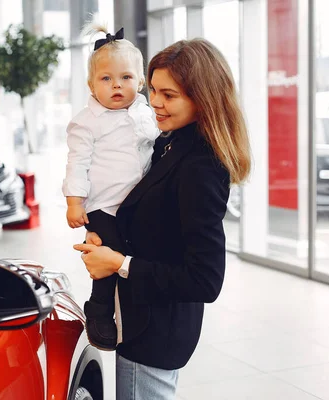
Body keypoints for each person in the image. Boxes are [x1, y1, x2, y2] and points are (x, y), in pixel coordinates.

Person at [73, 38, 251, 399]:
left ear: (202, 98)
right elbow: (153, 217)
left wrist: (119, 264)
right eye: (153, 89)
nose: (154, 101)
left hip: (155, 334)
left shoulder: (200, 166)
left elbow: (205, 280)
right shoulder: (169, 142)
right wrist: (104, 239)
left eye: (168, 95)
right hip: (141, 322)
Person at [62, 24, 160, 350]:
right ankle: (99, 309)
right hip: (103, 206)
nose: (117, 85)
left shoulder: (147, 113)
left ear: (142, 82)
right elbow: (77, 162)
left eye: (126, 78)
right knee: (109, 255)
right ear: (91, 85)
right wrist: (74, 202)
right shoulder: (87, 121)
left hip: (139, 204)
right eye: (106, 79)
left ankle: (133, 308)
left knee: (135, 256)